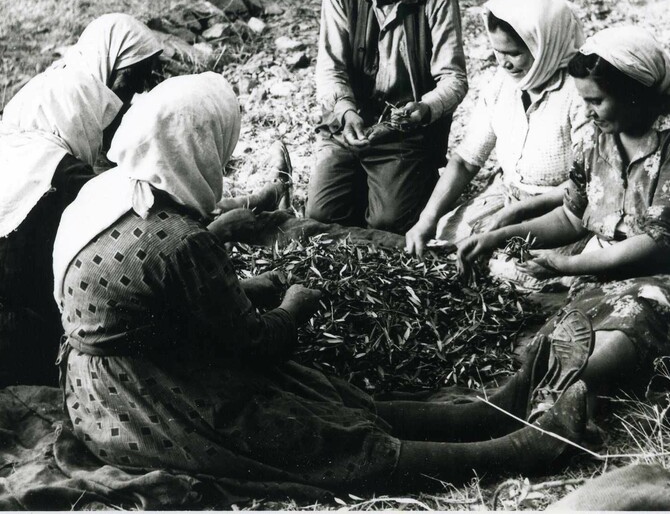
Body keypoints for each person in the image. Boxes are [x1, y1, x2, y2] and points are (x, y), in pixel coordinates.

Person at [53, 72, 588, 499]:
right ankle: (517, 450)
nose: (224, 160)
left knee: (312, 389)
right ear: (193, 145)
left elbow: (159, 299)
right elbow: (258, 344)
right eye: (221, 148)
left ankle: (483, 414)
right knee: (313, 432)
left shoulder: (106, 193)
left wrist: (253, 284)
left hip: (102, 380)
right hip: (145, 400)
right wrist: (294, 303)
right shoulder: (177, 239)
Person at [458, 26, 670, 398]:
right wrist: (502, 235)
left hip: (659, 278)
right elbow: (571, 217)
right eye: (584, 100)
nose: (588, 112)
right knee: (568, 331)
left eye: (597, 101)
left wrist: (563, 265)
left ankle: (559, 396)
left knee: (631, 321)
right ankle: (530, 396)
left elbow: (655, 244)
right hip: (603, 273)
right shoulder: (593, 139)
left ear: (634, 94)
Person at [0, 13, 162, 385]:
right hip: (20, 330)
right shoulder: (58, 168)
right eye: (133, 79)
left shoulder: (43, 99)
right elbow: (132, 215)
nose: (136, 93)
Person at [306, 0, 467, 234]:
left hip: (405, 135)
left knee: (388, 223)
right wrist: (345, 111)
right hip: (349, 129)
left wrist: (425, 108)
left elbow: (454, 79)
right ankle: (371, 183)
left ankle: (409, 182)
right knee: (321, 215)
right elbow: (330, 68)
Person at [406, 0, 587, 258]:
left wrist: (517, 212)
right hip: (509, 194)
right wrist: (427, 218)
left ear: (545, 46)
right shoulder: (501, 85)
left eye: (514, 53)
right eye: (497, 51)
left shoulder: (579, 94)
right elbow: (466, 160)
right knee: (445, 239)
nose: (505, 64)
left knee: (517, 268)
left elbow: (587, 180)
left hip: (560, 209)